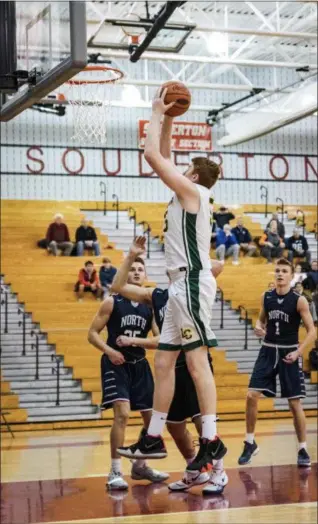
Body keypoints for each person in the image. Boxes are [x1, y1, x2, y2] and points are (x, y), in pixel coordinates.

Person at [115, 87, 227, 474]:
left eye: (184, 167)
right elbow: (163, 153)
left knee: (197, 364)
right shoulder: (188, 192)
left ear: (193, 175)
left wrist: (154, 111)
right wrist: (169, 119)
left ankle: (211, 439)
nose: (176, 168)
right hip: (179, 285)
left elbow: (152, 156)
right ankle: (153, 436)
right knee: (164, 362)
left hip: (192, 283)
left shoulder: (192, 191)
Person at [112, 237, 228, 495]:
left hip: (194, 365)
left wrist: (191, 260)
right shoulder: (157, 295)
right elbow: (118, 286)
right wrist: (131, 255)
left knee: (201, 422)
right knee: (175, 426)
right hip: (172, 370)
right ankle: (193, 471)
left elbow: (218, 265)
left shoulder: (194, 284)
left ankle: (219, 473)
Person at [87, 256, 168, 490]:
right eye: (131, 269)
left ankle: (140, 465)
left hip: (140, 364)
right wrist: (110, 350)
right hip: (116, 364)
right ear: (125, 274)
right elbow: (92, 333)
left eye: (140, 269)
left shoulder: (150, 306)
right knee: (122, 414)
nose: (135, 273)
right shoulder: (112, 302)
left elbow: (160, 338)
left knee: (152, 420)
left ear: (145, 276)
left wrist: (136, 340)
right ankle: (114, 471)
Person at [238, 258, 316, 468]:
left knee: (294, 403)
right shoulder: (267, 297)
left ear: (291, 276)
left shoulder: (299, 300)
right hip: (268, 350)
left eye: (284, 271)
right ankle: (249, 441)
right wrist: (258, 327)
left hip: (289, 352)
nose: (280, 274)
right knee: (251, 395)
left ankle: (302, 448)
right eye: (277, 271)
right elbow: (260, 320)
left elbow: (312, 331)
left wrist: (299, 352)